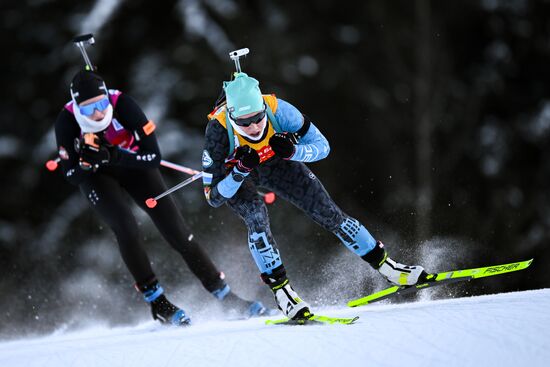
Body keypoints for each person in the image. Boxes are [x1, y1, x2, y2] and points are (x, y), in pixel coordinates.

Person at [201, 72, 429, 320]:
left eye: (258, 118)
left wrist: (293, 151)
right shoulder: (217, 130)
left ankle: (389, 269)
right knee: (256, 217)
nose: (254, 127)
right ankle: (283, 293)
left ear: (264, 108)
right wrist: (239, 171)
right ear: (232, 117)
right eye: (244, 123)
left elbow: (323, 147)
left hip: (279, 164)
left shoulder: (280, 110)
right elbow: (213, 197)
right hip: (238, 176)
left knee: (329, 213)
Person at [54, 69, 267, 326]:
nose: (97, 113)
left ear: (106, 98)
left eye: (100, 104)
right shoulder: (66, 121)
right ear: (77, 108)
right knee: (126, 227)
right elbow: (72, 175)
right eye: (88, 110)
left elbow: (152, 156)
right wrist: (86, 165)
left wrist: (115, 156)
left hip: (133, 165)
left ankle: (225, 295)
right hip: (97, 177)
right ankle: (158, 303)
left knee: (177, 231)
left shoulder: (122, 104)